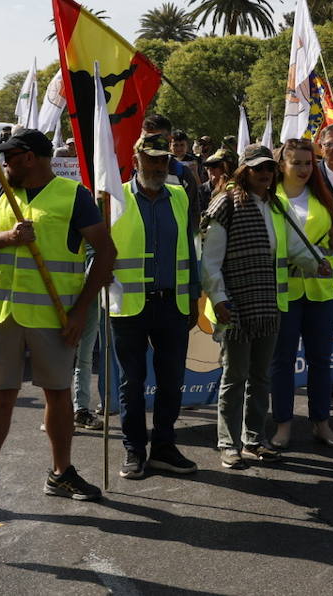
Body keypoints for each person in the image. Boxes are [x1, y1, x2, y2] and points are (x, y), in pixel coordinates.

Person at [0, 129, 116, 527]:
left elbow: (106, 253)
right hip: (3, 315)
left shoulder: (73, 195)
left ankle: (61, 473)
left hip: (53, 316)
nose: (2, 164)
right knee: (0, 400)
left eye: (8, 157)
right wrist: (8, 237)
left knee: (59, 397)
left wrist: (81, 312)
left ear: (29, 157)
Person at [201, 144, 329, 469]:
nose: (265, 174)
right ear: (244, 170)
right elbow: (210, 262)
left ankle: (252, 440)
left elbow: (295, 247)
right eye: (258, 168)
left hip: (268, 308)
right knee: (235, 376)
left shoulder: (275, 205)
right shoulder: (224, 204)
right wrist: (219, 299)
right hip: (236, 307)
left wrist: (318, 264)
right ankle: (228, 444)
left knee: (260, 378)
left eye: (269, 169)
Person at [109, 133, 202, 479]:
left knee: (171, 380)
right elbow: (95, 245)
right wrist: (96, 268)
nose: (158, 165)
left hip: (172, 305)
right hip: (129, 306)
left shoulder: (178, 195)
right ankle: (134, 450)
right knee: (131, 383)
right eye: (151, 158)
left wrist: (194, 294)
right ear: (136, 159)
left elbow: (190, 249)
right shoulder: (113, 196)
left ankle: (164, 446)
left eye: (163, 159)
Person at [270, 138, 333, 449]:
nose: (304, 169)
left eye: (308, 163)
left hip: (320, 292)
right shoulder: (270, 198)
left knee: (321, 360)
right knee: (282, 361)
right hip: (284, 292)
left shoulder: (322, 197)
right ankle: (282, 425)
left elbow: (332, 246)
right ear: (282, 165)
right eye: (297, 163)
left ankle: (321, 422)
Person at [198, 149, 234, 214]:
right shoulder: (201, 191)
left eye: (215, 166)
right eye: (208, 167)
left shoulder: (238, 189)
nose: (211, 170)